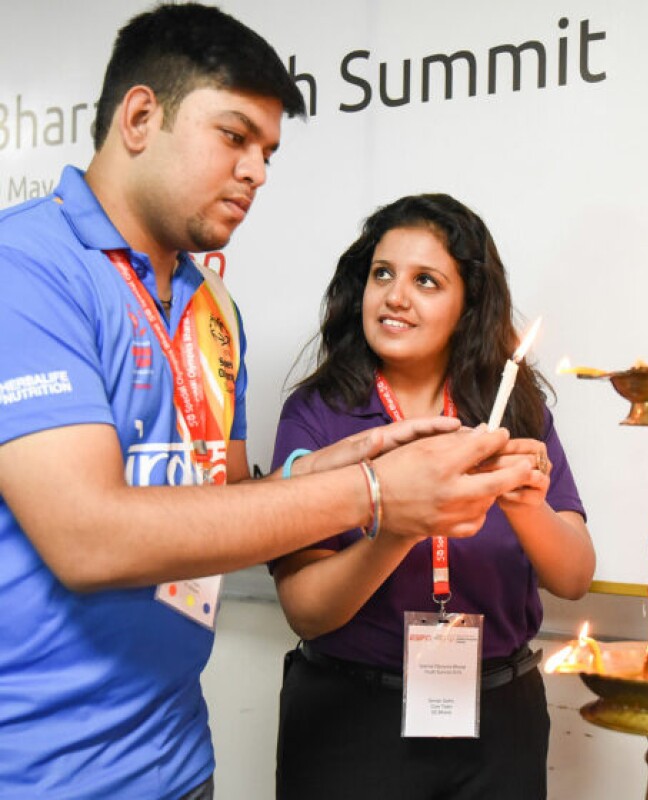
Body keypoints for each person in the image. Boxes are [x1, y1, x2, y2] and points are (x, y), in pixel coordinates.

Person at [0, 7, 535, 800]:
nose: (257, 171)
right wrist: (376, 494)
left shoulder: (214, 306)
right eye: (234, 136)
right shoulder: (25, 270)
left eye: (269, 151)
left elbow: (221, 505)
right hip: (41, 771)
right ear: (141, 116)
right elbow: (88, 538)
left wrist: (323, 469)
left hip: (177, 756)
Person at [270, 193, 596, 800]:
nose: (396, 296)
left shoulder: (516, 409)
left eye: (426, 281)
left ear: (468, 305)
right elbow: (307, 611)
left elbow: (574, 576)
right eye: (382, 274)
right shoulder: (318, 416)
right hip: (352, 718)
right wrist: (401, 521)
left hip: (500, 717)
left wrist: (523, 503)